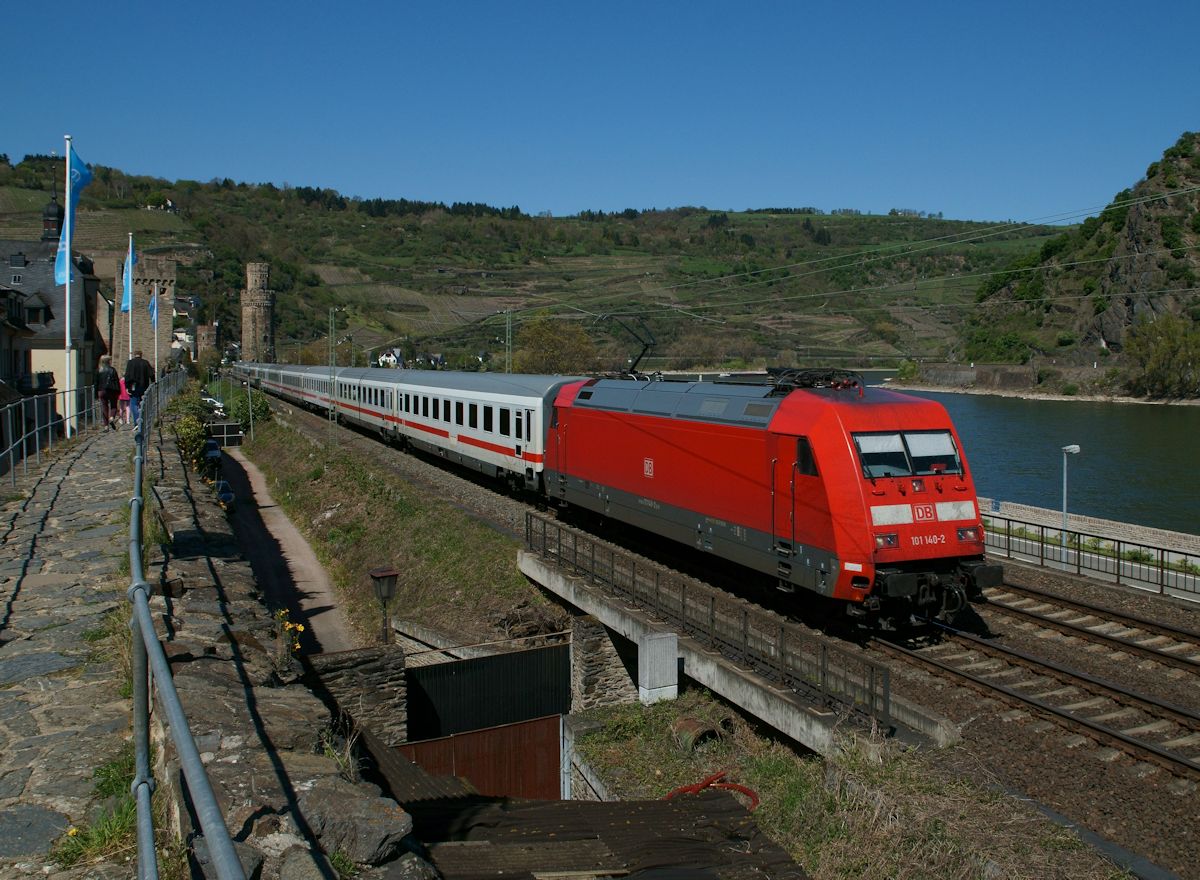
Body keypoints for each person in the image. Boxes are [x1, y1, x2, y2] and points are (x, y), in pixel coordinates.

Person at [124, 350, 154, 427]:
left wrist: (127, 387)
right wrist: (154, 382)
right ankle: (142, 420)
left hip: (133, 386)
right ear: (141, 355)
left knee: (133, 403)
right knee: (143, 403)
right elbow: (151, 374)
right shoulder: (145, 363)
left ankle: (137, 421)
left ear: (134, 354)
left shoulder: (130, 363)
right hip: (144, 386)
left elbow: (127, 375)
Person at [94, 355, 121, 429]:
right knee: (114, 406)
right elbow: (116, 381)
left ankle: (106, 425)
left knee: (104, 407)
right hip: (112, 390)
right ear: (109, 361)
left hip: (101, 390)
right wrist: (119, 391)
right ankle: (112, 417)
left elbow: (96, 383)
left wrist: (95, 394)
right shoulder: (112, 370)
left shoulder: (98, 370)